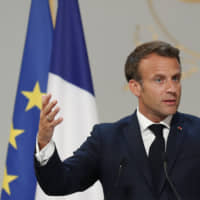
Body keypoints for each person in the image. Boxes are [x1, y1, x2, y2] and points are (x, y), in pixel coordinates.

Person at [35, 41, 200, 200]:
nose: (172, 88)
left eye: (176, 78)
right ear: (135, 87)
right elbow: (58, 183)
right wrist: (44, 142)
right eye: (159, 80)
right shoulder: (107, 139)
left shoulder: (197, 132)